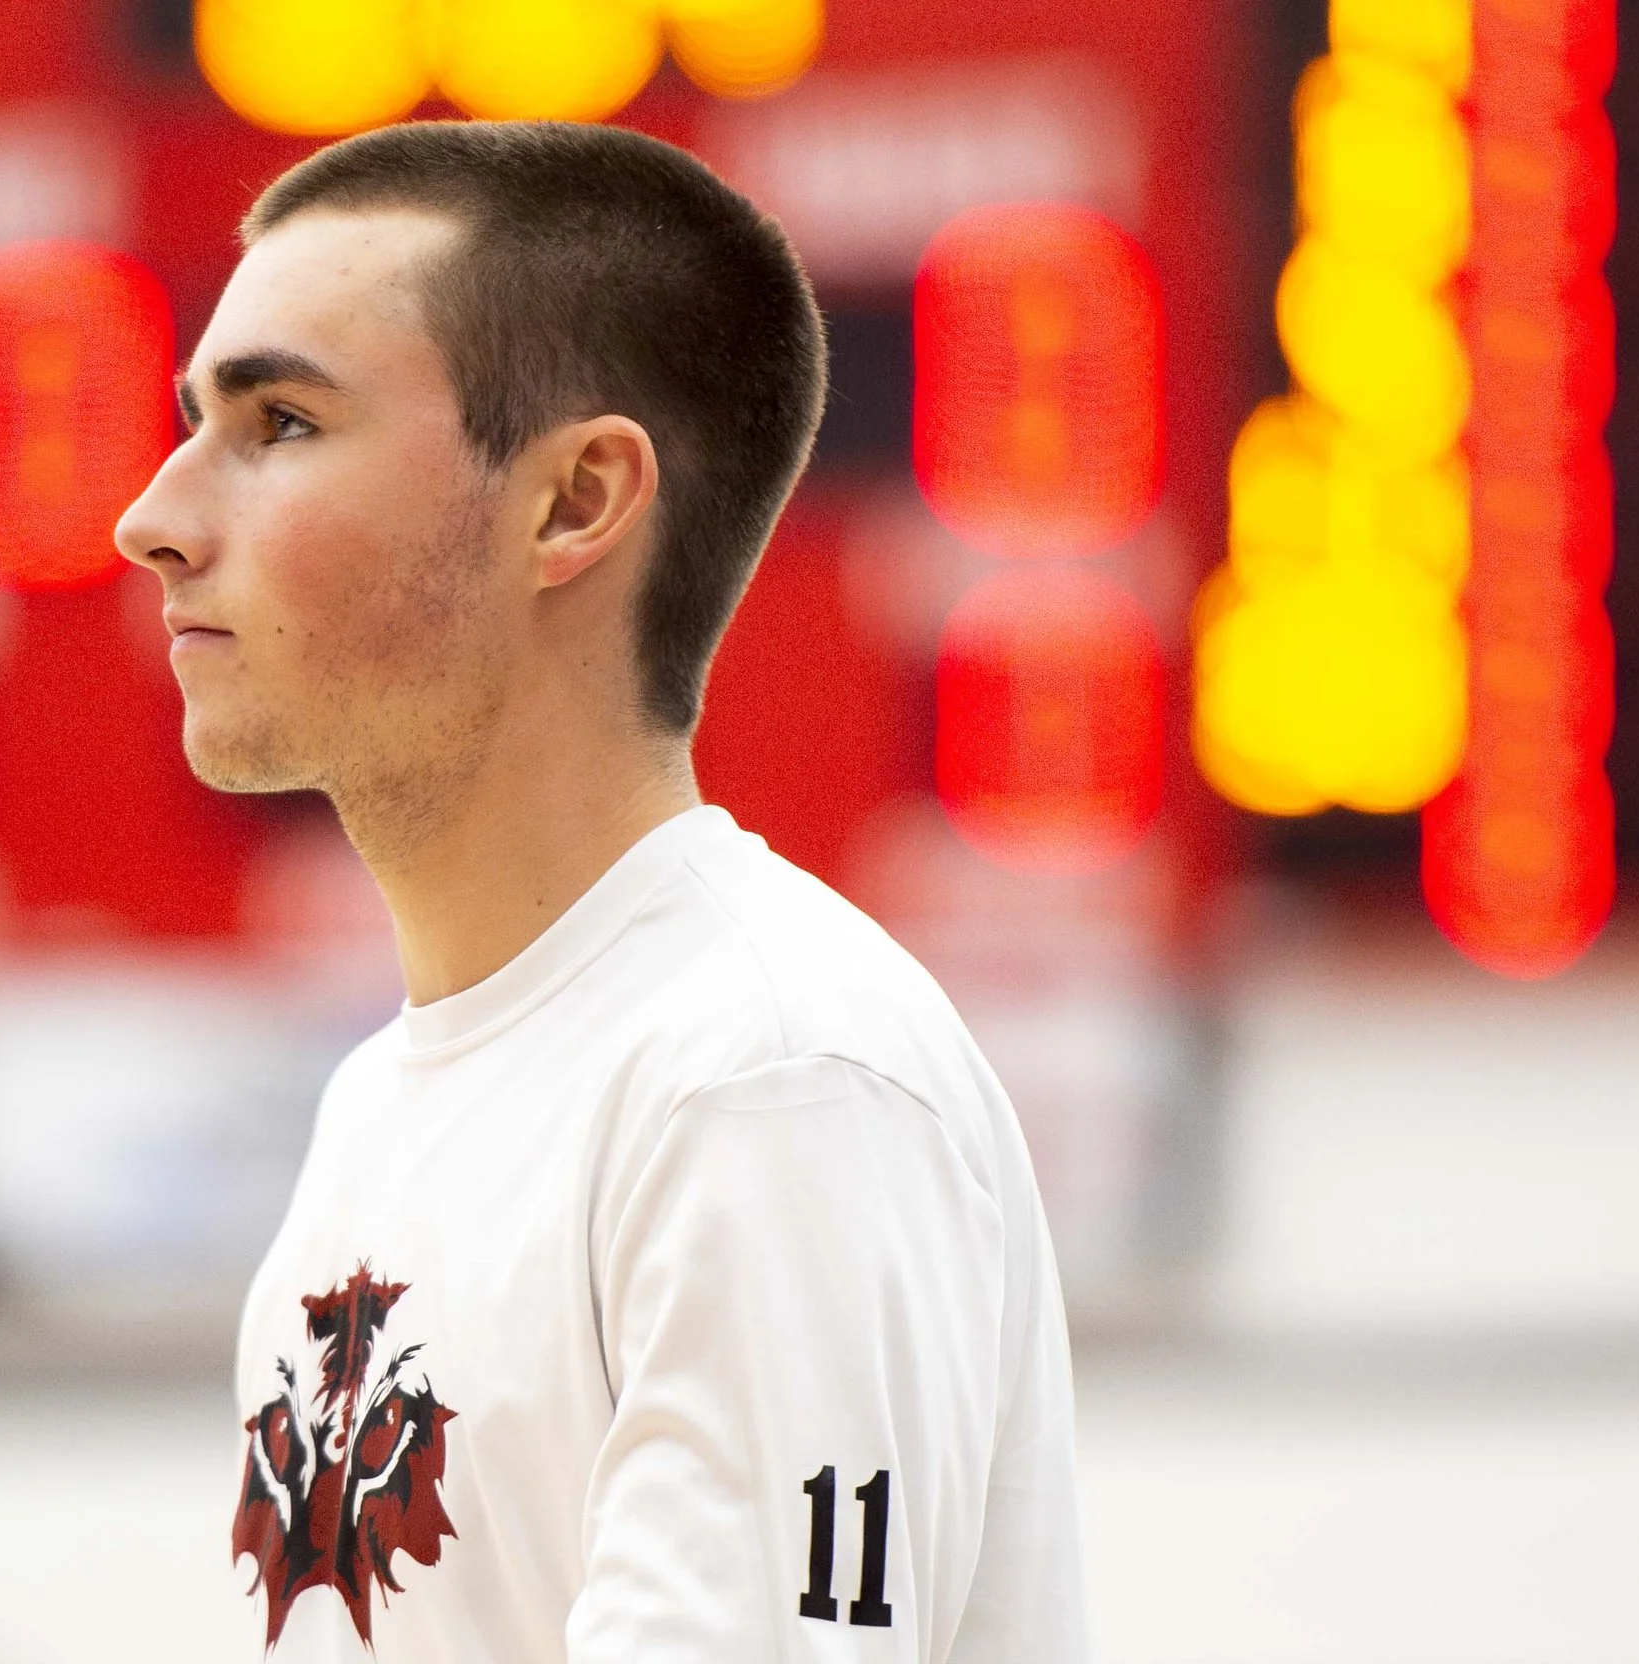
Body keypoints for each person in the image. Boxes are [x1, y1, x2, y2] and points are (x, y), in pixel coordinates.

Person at [113, 120, 1087, 1662]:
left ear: (573, 503)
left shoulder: (769, 1078)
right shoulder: (384, 1107)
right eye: (194, 424)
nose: (152, 517)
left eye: (282, 422)